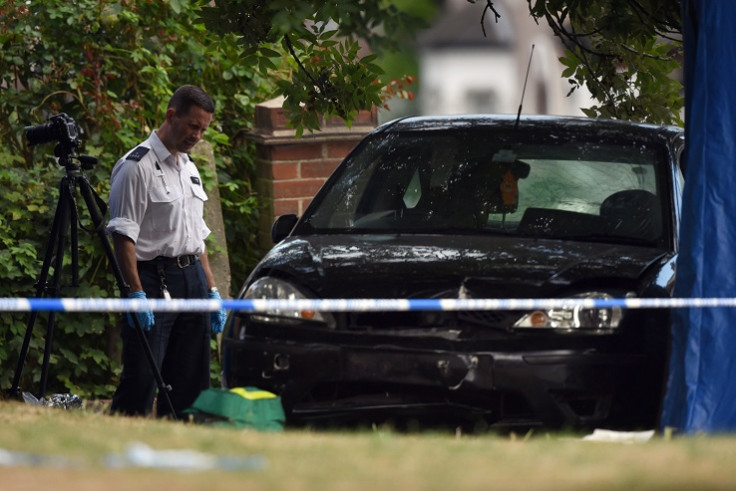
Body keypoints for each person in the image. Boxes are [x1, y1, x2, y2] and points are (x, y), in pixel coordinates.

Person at [106, 85, 227, 419]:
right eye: (193, 126)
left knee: (191, 379)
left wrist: (212, 289)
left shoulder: (189, 167)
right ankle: (121, 447)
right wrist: (135, 293)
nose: (197, 135)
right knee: (142, 378)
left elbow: (196, 237)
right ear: (171, 116)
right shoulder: (136, 167)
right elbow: (123, 236)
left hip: (192, 280)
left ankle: (183, 452)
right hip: (153, 281)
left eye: (203, 129)